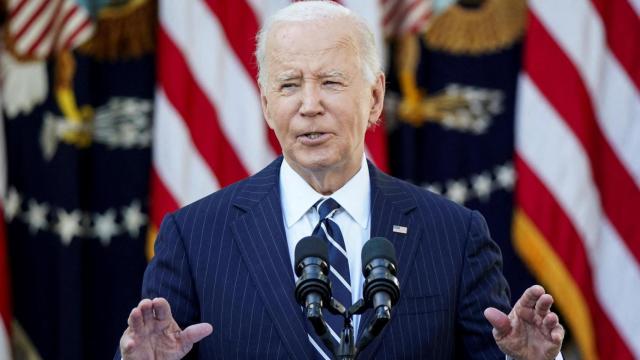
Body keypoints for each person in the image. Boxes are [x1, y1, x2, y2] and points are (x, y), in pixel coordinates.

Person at [116, 1, 564, 359]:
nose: (309, 105)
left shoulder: (454, 234)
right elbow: (158, 348)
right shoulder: (195, 238)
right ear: (267, 104)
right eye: (289, 85)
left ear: (374, 97)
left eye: (331, 81)